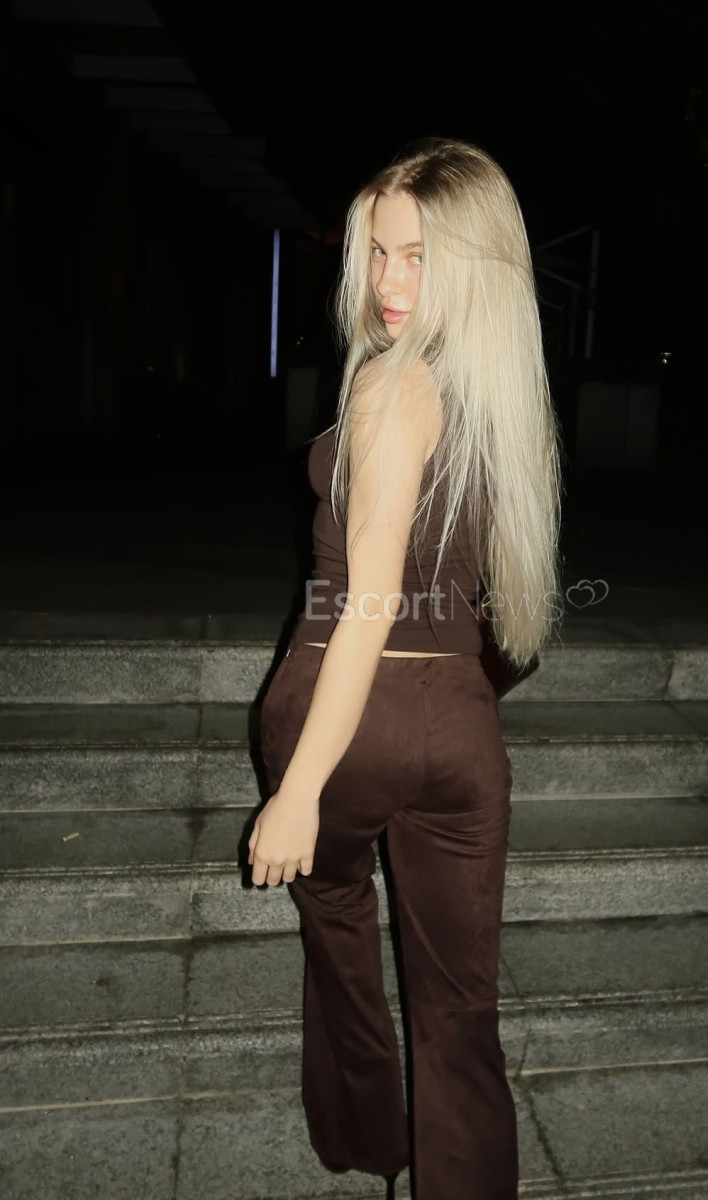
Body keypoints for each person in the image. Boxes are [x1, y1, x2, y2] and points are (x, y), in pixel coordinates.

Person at [253, 137, 562, 1200]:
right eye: (377, 253)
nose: (388, 282)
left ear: (472, 264)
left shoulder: (393, 386)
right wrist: (458, 690)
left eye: (418, 257)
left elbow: (371, 604)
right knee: (461, 1012)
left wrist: (297, 791)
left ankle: (365, 1134)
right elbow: (510, 611)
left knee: (340, 924)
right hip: (459, 729)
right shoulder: (503, 399)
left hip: (341, 711)